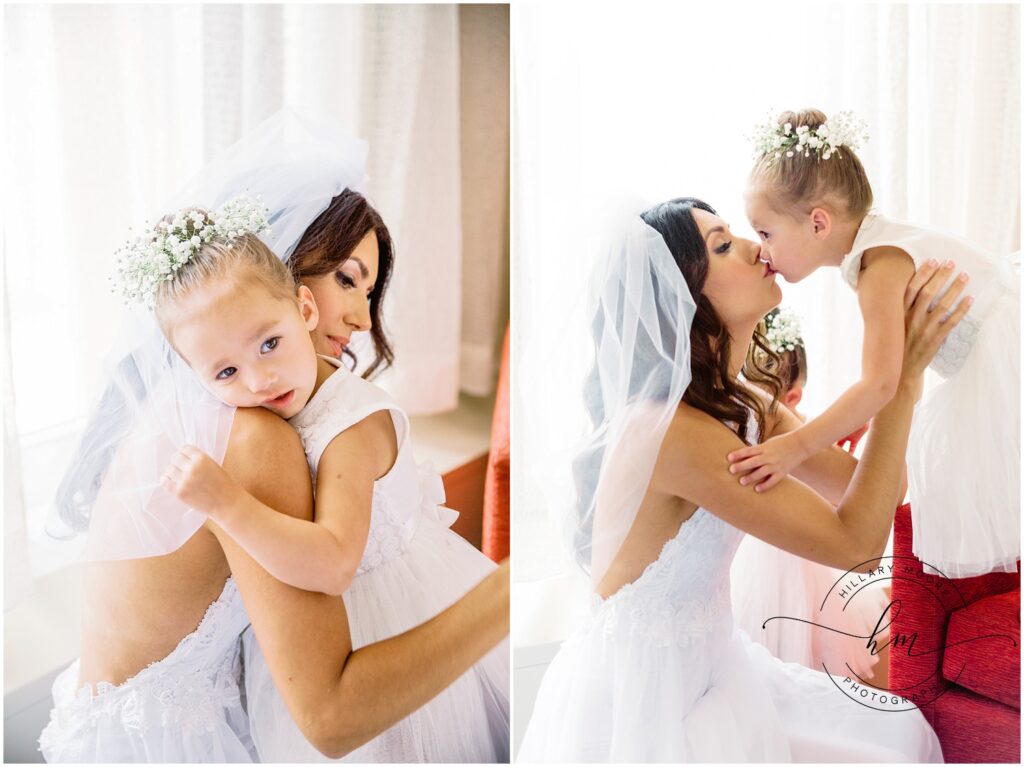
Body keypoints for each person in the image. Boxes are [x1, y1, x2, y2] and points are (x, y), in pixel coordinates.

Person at [38, 110, 509, 763]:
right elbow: (332, 714)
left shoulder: (198, 404)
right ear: (285, 273)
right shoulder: (253, 438)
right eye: (347, 277)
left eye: (369, 290)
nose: (363, 318)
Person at [517, 197, 965, 762]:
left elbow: (877, 491)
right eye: (723, 245)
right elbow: (856, 541)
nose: (758, 248)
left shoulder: (745, 406)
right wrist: (900, 385)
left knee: (894, 731)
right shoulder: (674, 434)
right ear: (685, 299)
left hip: (716, 668)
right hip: (649, 702)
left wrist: (885, 375)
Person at [731, 108, 1020, 578]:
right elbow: (887, 375)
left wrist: (795, 447)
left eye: (766, 232)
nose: (761, 249)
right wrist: (854, 420)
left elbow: (880, 383)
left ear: (819, 223)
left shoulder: (878, 262)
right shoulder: (881, 247)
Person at [731, 306, 889, 678]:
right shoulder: (770, 429)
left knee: (816, 642)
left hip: (811, 558)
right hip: (765, 555)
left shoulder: (809, 435)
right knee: (771, 641)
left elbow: (843, 501)